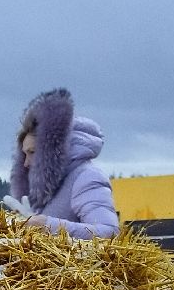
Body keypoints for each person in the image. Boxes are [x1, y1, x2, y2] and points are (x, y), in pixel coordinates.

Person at [8, 89, 119, 239]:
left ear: (51, 150)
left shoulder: (87, 178)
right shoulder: (46, 187)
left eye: (32, 152)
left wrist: (47, 225)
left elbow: (109, 233)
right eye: (24, 154)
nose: (26, 163)